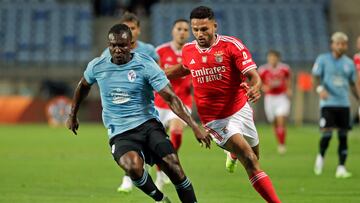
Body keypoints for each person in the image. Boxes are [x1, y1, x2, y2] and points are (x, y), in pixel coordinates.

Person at [66, 24, 212, 203]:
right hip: (120, 132)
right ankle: (160, 199)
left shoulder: (145, 64)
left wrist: (194, 126)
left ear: (131, 44)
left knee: (174, 167)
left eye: (122, 45)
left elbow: (171, 97)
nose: (117, 50)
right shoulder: (97, 66)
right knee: (132, 167)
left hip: (148, 125)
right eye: (113, 46)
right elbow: (83, 86)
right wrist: (72, 114)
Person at [165, 6, 281, 203]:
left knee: (255, 157)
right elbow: (185, 68)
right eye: (196, 29)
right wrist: (159, 74)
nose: (199, 34)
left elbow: (253, 76)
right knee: (251, 161)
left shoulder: (232, 46)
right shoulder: (188, 50)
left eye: (204, 29)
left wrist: (256, 87)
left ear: (214, 26)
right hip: (215, 120)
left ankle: (232, 154)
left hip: (240, 109)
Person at [101, 12, 160, 193]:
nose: (131, 32)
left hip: (145, 106)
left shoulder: (149, 50)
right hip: (121, 110)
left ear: (139, 30)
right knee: (127, 144)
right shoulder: (107, 54)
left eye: (133, 28)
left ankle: (150, 173)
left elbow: (158, 75)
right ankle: (129, 178)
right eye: (127, 28)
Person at [312, 32, 359, 178]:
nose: (341, 46)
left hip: (344, 104)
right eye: (338, 43)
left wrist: (358, 98)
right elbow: (315, 77)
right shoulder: (323, 59)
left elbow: (352, 84)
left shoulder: (349, 63)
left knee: (343, 136)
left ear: (346, 46)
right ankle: (320, 156)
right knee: (327, 133)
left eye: (343, 44)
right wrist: (320, 89)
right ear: (332, 44)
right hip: (328, 104)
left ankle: (341, 167)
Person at [153, 19, 192, 191]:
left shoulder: (192, 51)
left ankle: (166, 165)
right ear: (173, 31)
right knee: (158, 141)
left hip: (182, 102)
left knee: (176, 133)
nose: (182, 32)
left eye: (185, 29)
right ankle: (161, 171)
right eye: (179, 29)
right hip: (160, 103)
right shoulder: (160, 51)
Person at [258, 50, 292, 154]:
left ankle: (282, 145)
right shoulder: (263, 70)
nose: (272, 60)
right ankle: (279, 141)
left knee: (281, 119)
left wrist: (288, 89)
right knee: (274, 122)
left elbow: (288, 79)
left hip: (281, 97)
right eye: (270, 58)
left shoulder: (285, 68)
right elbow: (259, 83)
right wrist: (264, 88)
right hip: (270, 98)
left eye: (274, 57)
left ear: (278, 58)